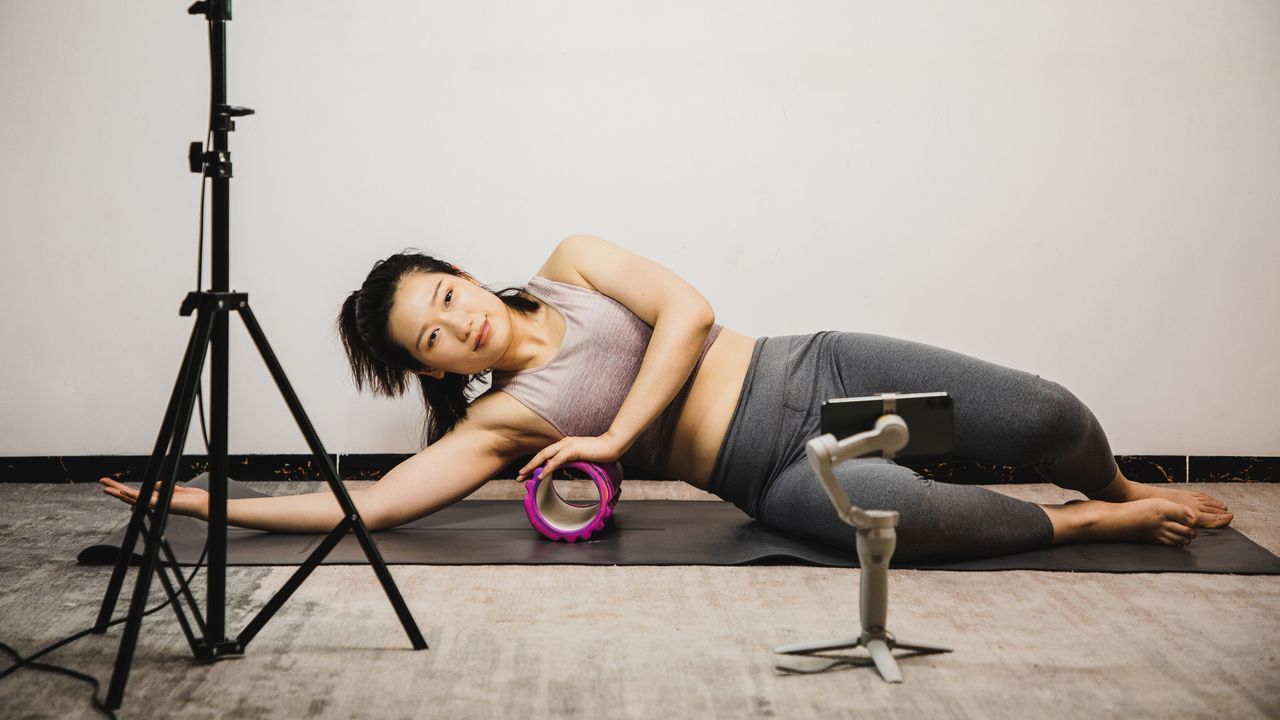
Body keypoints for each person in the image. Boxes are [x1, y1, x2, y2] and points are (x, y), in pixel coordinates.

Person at [100, 235, 1233, 562]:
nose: (456, 326)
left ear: (461, 272)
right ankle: (1086, 519)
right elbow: (381, 506)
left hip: (825, 382)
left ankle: (1111, 477)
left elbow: (689, 313)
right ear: (435, 373)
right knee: (891, 519)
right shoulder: (500, 422)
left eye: (443, 297)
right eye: (432, 342)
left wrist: (614, 433)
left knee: (1041, 419)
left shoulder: (569, 260)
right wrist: (193, 500)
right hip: (777, 473)